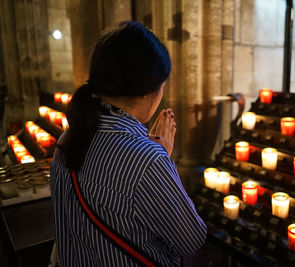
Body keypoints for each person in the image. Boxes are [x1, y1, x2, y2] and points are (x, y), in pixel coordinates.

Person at [50, 21, 207, 267]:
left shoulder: (67, 138)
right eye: (163, 84)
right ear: (148, 91)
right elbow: (191, 239)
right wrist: (163, 159)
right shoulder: (148, 160)